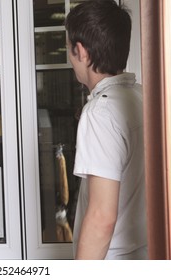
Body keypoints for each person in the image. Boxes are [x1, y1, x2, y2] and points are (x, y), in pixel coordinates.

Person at [65, 0, 147, 259]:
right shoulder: (145, 97)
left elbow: (102, 218)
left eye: (69, 49)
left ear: (82, 52)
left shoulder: (100, 114)